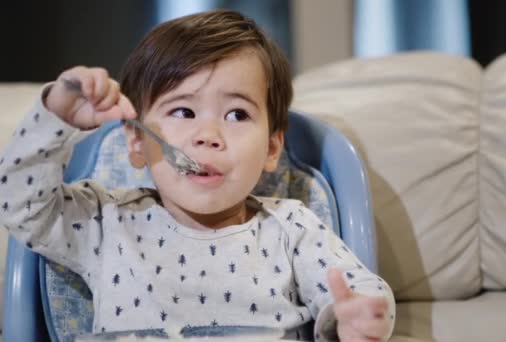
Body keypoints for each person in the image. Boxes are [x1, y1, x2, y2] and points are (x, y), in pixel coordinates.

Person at [0, 9, 395, 341]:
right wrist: (55, 114)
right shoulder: (105, 223)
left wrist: (357, 316)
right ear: (137, 142)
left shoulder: (293, 228)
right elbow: (20, 206)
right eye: (183, 112)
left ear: (272, 148)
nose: (209, 136)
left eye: (237, 114)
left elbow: (357, 287)